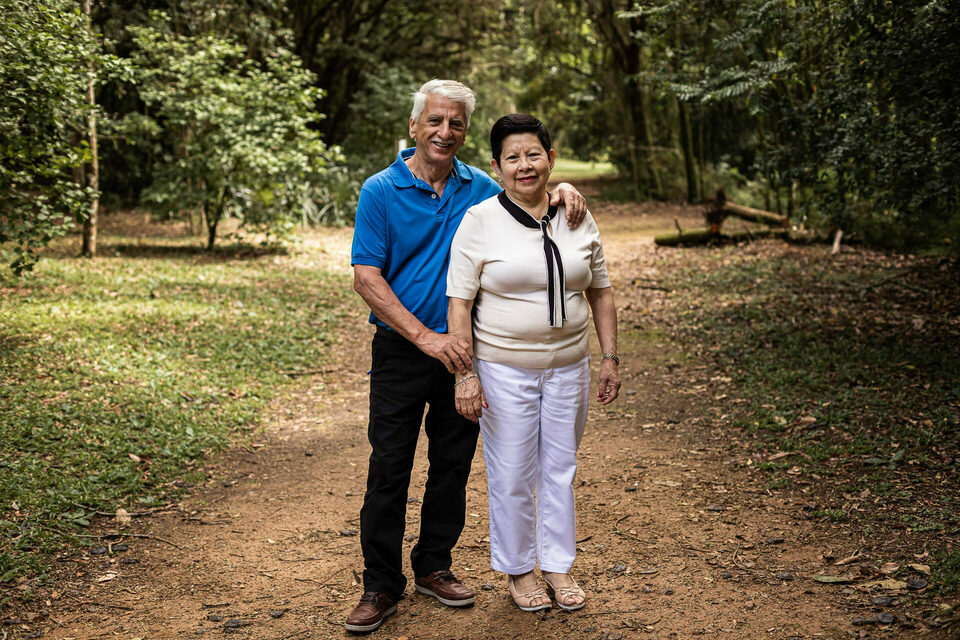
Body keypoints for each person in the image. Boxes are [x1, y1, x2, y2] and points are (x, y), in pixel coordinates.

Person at [347, 81, 587, 633]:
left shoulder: (478, 186)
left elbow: (527, 193)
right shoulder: (380, 190)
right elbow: (367, 276)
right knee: (389, 467)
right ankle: (380, 584)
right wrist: (426, 339)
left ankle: (435, 565)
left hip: (469, 350)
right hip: (404, 351)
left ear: (465, 131)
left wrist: (565, 185)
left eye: (455, 123)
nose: (444, 132)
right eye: (434, 121)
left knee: (452, 466)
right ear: (414, 126)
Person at [446, 113, 620, 613]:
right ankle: (520, 571)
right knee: (512, 473)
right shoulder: (479, 221)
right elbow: (459, 303)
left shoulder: (577, 214)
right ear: (497, 166)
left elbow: (601, 292)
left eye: (533, 154)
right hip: (504, 369)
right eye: (512, 157)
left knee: (561, 467)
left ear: (550, 157)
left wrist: (608, 357)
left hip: (570, 367)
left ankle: (558, 566)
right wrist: (466, 374)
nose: (525, 165)